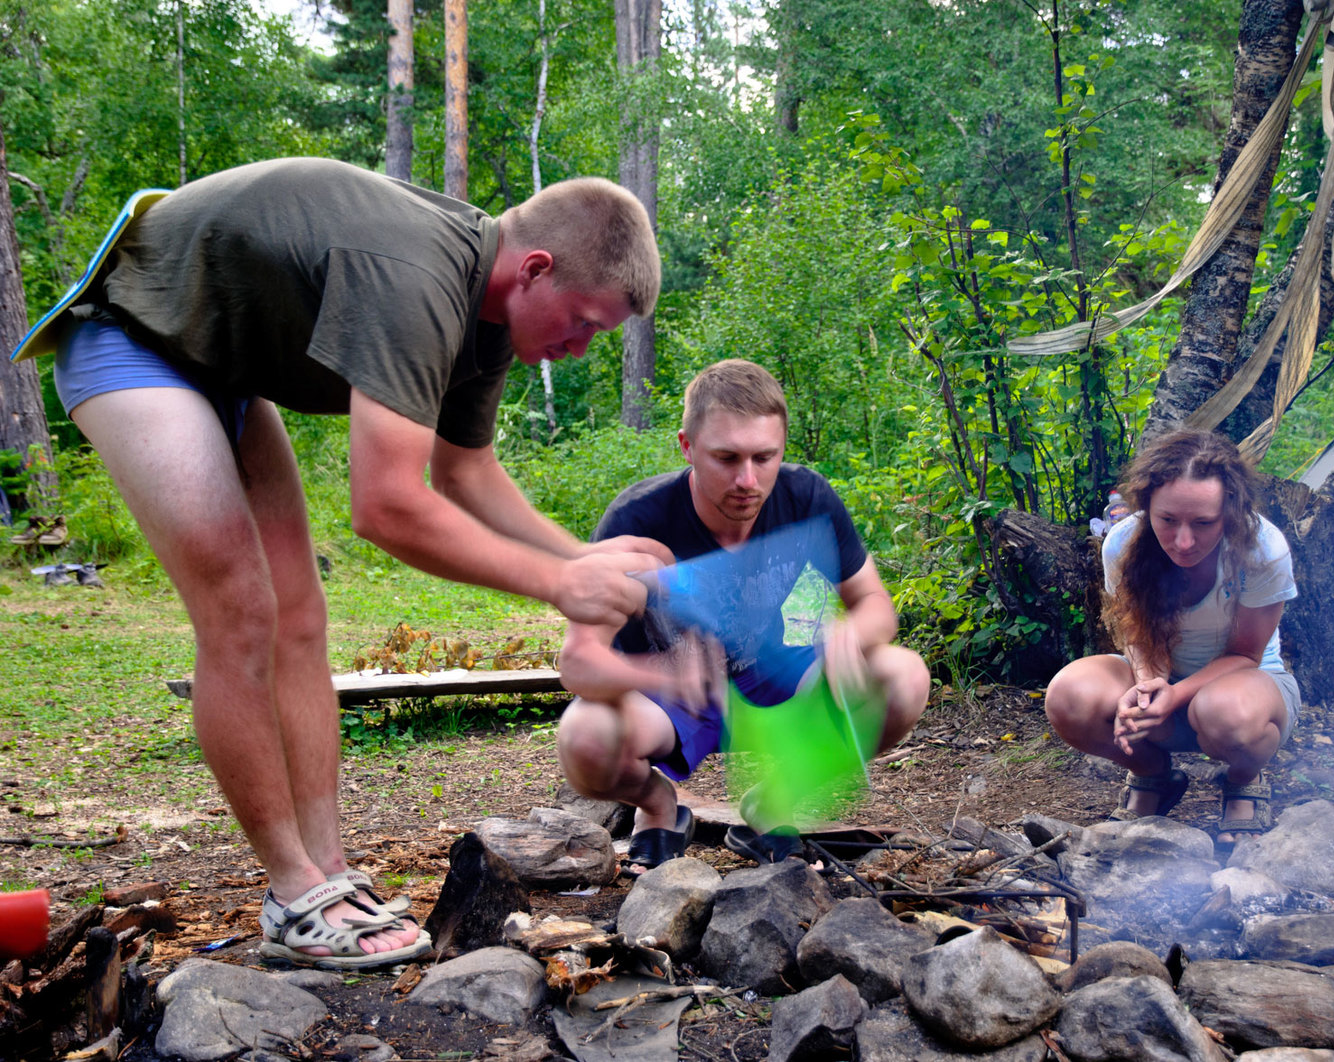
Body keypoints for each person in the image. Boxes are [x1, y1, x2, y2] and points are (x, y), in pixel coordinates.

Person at [18, 157, 671, 968]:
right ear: (536, 269)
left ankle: (327, 872)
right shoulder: (419, 274)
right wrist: (561, 585)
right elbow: (386, 505)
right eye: (583, 324)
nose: (578, 350)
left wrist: (583, 554)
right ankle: (292, 891)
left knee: (301, 615)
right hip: (133, 342)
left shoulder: (493, 316)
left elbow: (466, 473)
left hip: (226, 372)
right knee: (241, 609)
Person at [555, 359, 931, 871]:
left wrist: (851, 632)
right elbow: (577, 663)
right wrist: (661, 671)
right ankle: (659, 807)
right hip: (669, 703)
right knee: (585, 737)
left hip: (777, 680)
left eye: (764, 457)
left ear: (782, 448)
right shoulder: (638, 518)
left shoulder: (807, 497)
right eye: (726, 458)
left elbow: (875, 603)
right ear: (687, 446)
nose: (748, 479)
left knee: (903, 676)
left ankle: (770, 805)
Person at [1043, 429, 1300, 845]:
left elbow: (1245, 653)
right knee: (1069, 696)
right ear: (1146, 508)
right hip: (1164, 681)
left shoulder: (1262, 549)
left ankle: (1243, 778)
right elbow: (1136, 633)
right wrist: (1147, 685)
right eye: (1167, 520)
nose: (1183, 541)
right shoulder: (1123, 544)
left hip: (1247, 688)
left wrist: (1174, 696)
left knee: (1226, 713)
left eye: (1203, 523)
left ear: (1229, 512)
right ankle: (1152, 775)